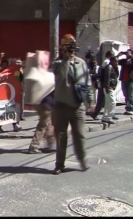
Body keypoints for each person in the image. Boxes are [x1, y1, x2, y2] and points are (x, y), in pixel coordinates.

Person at [51, 34, 93, 175]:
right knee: (61, 137)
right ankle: (59, 164)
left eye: (72, 47)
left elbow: (87, 82)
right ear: (62, 48)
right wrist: (65, 59)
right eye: (68, 47)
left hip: (77, 106)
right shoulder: (57, 63)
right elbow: (61, 77)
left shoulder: (81, 63)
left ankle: (82, 160)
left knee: (80, 135)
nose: (71, 50)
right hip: (61, 106)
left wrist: (90, 100)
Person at [101, 57, 119, 124]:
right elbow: (107, 78)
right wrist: (107, 87)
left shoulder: (114, 68)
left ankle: (105, 117)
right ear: (111, 61)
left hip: (111, 87)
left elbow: (115, 77)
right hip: (108, 87)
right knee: (112, 102)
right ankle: (109, 117)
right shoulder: (109, 67)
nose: (117, 63)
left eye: (117, 61)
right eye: (115, 61)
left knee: (108, 102)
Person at [117, 49, 133, 115]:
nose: (127, 54)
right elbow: (116, 61)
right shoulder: (124, 61)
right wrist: (118, 55)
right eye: (126, 53)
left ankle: (132, 108)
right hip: (123, 80)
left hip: (131, 80)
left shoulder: (132, 61)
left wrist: (131, 56)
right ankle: (128, 108)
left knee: (131, 96)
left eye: (128, 53)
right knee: (126, 95)